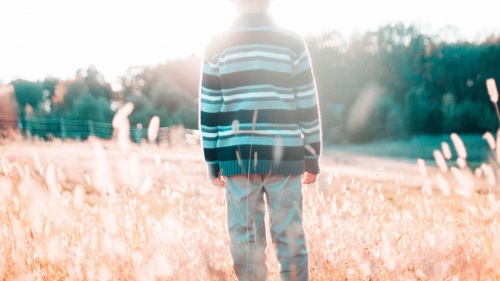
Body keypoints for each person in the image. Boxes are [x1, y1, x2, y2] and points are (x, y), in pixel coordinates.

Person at [199, 0, 322, 279]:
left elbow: (210, 108)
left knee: (245, 241)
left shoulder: (217, 45)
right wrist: (312, 155)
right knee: (290, 239)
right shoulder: (292, 42)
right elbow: (307, 102)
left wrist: (212, 161)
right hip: (286, 156)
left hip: (236, 158)